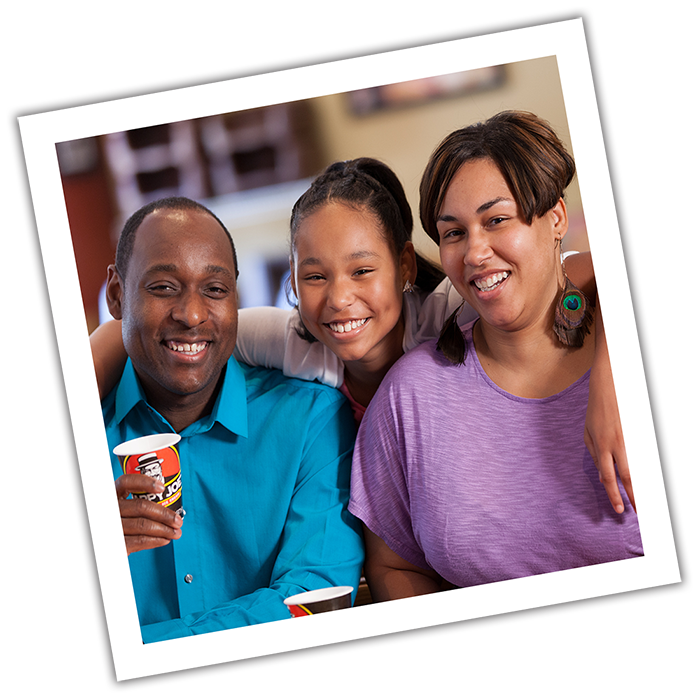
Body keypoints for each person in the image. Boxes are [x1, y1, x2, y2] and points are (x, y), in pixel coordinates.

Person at [91, 158, 630, 512]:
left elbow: (595, 271)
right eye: (315, 276)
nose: (339, 299)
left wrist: (609, 384)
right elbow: (126, 331)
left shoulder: (446, 312)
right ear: (295, 284)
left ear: (403, 267)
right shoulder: (292, 337)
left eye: (362, 271)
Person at [348, 111, 643, 602]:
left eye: (497, 220)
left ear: (555, 219)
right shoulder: (411, 396)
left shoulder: (637, 355)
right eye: (454, 233)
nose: (475, 252)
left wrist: (611, 380)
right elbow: (394, 564)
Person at [101, 196, 363, 643]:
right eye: (163, 287)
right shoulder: (62, 443)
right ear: (117, 295)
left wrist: (139, 648)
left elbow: (314, 600)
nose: (193, 314)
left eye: (215, 290)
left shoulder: (309, 421)